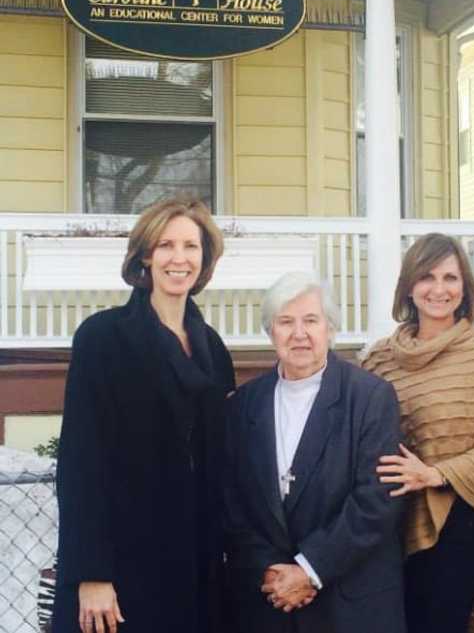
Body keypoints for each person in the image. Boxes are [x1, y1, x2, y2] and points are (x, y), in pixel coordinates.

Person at [53, 197, 236, 633]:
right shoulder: (103, 339)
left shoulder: (213, 348)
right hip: (121, 568)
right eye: (166, 245)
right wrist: (91, 573)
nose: (179, 258)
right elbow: (80, 464)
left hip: (195, 568)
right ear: (146, 256)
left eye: (191, 247)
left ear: (205, 258)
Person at [224, 272, 406, 633]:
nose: (299, 334)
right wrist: (271, 571)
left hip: (350, 606)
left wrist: (309, 569)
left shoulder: (370, 398)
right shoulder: (244, 405)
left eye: (311, 320)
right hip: (269, 604)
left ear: (330, 329)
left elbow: (376, 500)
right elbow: (233, 504)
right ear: (270, 332)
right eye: (285, 322)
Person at [361, 233, 474, 633]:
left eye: (450, 278)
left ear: (465, 287)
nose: (439, 289)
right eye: (427, 277)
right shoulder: (378, 358)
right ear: (409, 287)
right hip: (385, 524)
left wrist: (435, 474)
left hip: (456, 526)